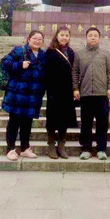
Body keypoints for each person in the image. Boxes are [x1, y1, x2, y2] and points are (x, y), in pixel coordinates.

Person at [1, 30, 46, 161]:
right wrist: (19, 65)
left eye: (40, 39)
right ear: (28, 39)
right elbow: (5, 63)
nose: (37, 41)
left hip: (33, 95)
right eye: (35, 38)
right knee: (14, 122)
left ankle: (25, 148)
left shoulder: (43, 55)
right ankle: (10, 149)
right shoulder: (19, 50)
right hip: (17, 93)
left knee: (27, 122)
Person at [72, 26, 110, 160]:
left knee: (102, 123)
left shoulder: (105, 54)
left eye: (95, 36)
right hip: (85, 94)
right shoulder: (79, 54)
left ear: (99, 38)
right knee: (86, 123)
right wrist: (75, 88)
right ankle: (86, 148)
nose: (93, 38)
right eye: (90, 35)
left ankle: (101, 148)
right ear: (86, 37)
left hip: (102, 94)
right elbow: (75, 72)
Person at [44, 26, 77, 159]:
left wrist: (74, 89)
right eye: (62, 35)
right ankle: (51, 145)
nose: (64, 38)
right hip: (54, 91)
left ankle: (61, 146)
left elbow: (74, 71)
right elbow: (46, 72)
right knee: (52, 119)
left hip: (67, 91)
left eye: (66, 35)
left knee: (64, 119)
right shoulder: (50, 52)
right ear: (57, 36)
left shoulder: (71, 52)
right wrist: (49, 89)